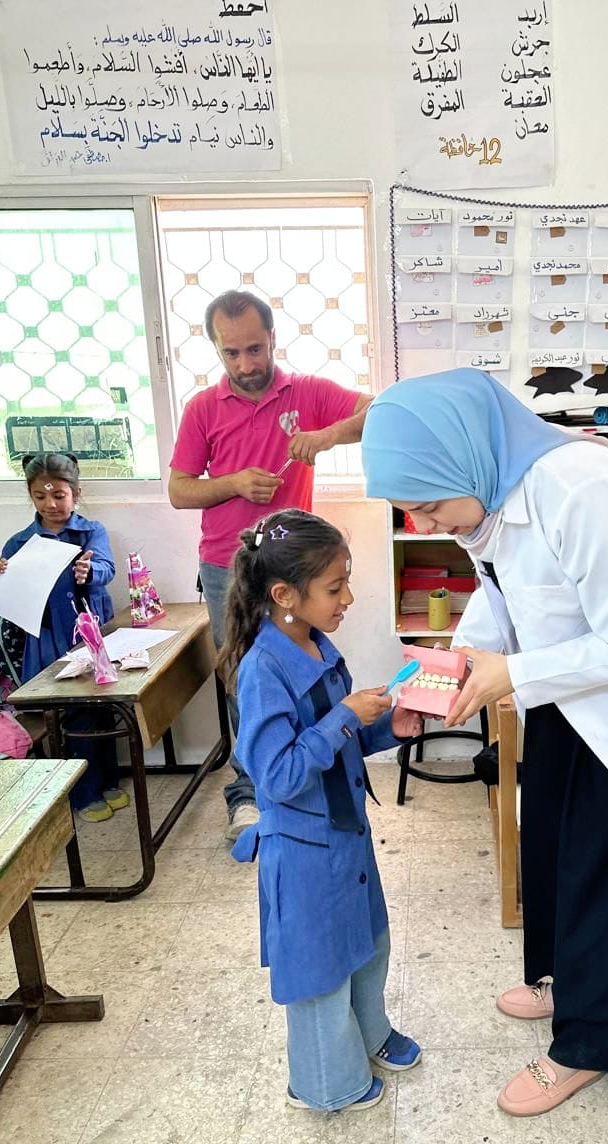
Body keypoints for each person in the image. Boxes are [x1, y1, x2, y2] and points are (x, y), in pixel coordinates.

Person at [361, 367, 608, 1117]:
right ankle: (566, 980)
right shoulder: (492, 493)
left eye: (429, 503)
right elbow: (502, 602)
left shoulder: (582, 489)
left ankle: (598, 1039)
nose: (426, 522)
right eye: (409, 509)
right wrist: (432, 678)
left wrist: (514, 670)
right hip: (569, 699)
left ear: (465, 459)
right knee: (552, 847)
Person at [217, 508, 422, 1111]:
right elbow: (277, 776)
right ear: (284, 594)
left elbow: (341, 745)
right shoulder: (262, 671)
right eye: (335, 587)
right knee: (319, 973)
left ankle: (371, 1034)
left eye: (346, 581)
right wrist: (343, 718)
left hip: (345, 835)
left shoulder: (319, 648)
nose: (348, 598)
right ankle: (327, 1084)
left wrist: (389, 727)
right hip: (304, 851)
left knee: (368, 941)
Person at [169, 290, 373, 842]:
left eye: (254, 349)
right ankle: (249, 792)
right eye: (231, 353)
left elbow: (377, 410)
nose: (245, 365)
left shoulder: (305, 392)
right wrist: (234, 483)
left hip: (293, 570)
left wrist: (326, 437)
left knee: (303, 669)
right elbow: (179, 491)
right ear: (215, 348)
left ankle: (301, 770)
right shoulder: (202, 409)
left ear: (273, 339)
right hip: (224, 569)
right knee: (243, 683)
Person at [0, 451, 126, 823]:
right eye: (40, 496)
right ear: (31, 496)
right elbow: (1, 597)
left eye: (59, 495)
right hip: (51, 642)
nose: (51, 504)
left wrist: (88, 571)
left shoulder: (91, 531)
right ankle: (83, 792)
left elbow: (107, 568)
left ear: (75, 494)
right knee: (73, 717)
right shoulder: (20, 542)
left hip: (93, 635)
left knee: (103, 710)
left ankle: (110, 780)